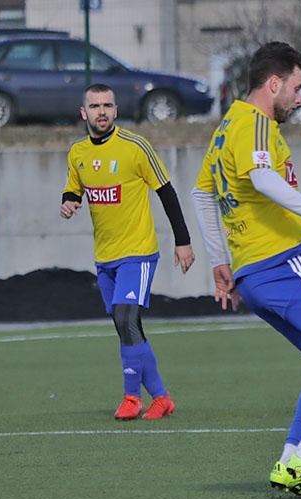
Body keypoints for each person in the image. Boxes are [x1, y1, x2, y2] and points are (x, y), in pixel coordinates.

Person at [190, 41, 301, 499]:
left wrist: (220, 263)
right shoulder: (253, 122)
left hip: (254, 274)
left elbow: (202, 195)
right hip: (280, 263)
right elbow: (261, 178)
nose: (298, 96)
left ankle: (294, 460)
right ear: (274, 83)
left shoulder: (227, 124)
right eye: (296, 86)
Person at [60, 83, 195, 421]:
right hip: (105, 257)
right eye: (94, 106)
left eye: (107, 105)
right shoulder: (77, 152)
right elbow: (74, 188)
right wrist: (69, 202)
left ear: (116, 111)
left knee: (125, 318)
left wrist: (182, 240)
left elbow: (167, 191)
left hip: (138, 252)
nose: (101, 111)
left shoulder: (136, 146)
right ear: (84, 113)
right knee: (127, 326)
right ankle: (162, 398)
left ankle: (131, 398)